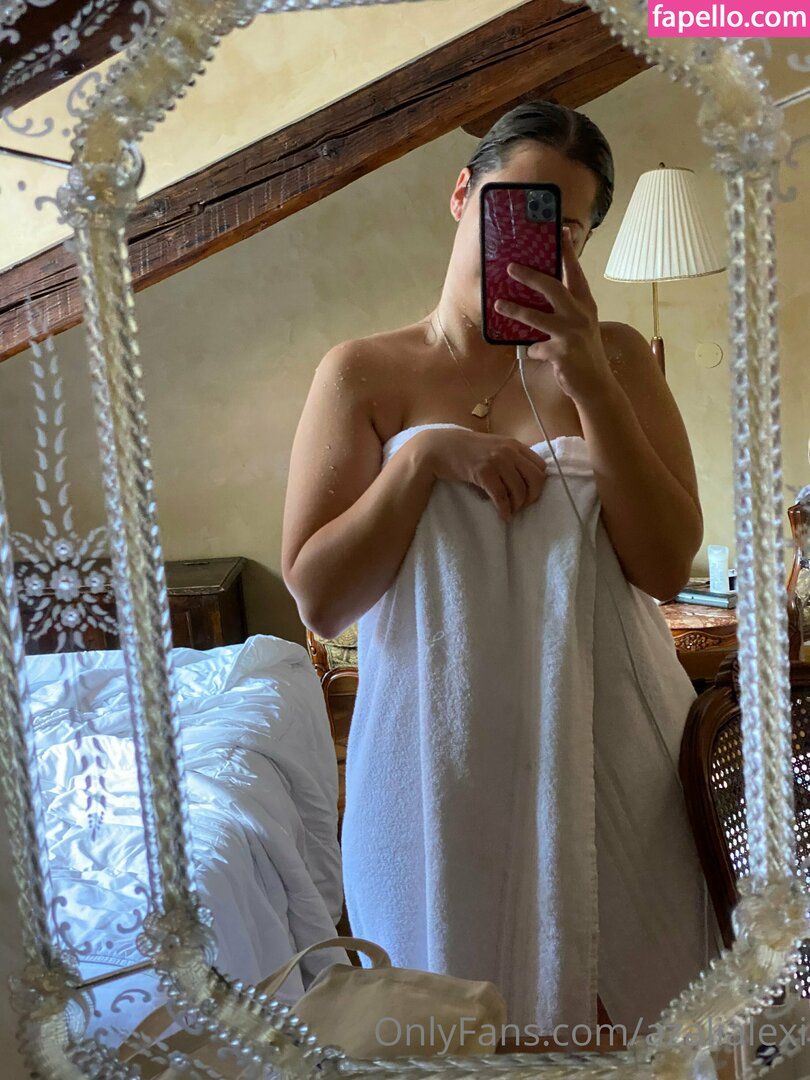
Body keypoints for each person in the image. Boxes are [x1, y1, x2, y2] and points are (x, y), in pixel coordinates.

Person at [281, 102, 719, 1041]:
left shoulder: (619, 359)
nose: (532, 244)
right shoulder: (363, 374)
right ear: (462, 195)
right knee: (452, 1029)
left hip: (616, 755)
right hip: (434, 765)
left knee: (642, 1025)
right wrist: (421, 463)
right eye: (512, 207)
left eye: (565, 226)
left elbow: (664, 566)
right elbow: (318, 596)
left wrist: (590, 381)